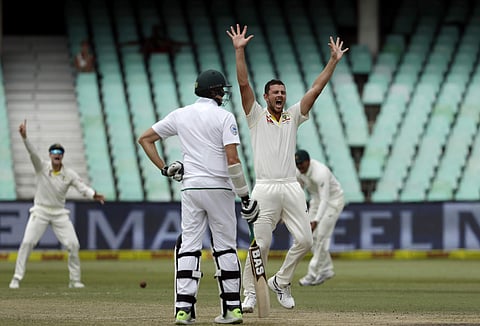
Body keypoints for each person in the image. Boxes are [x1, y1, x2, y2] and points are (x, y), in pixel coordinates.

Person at [226, 24, 348, 311]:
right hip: (265, 187)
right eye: (275, 93)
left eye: (283, 92)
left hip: (291, 187)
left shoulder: (294, 115)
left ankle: (281, 281)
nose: (280, 96)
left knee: (306, 240)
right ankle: (251, 294)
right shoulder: (255, 115)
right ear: (266, 97)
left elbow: (316, 88)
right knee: (261, 246)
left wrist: (332, 61)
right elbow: (243, 85)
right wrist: (239, 51)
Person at [138, 69, 259, 325]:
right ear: (214, 91)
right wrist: (245, 196)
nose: (224, 94)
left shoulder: (180, 114)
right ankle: (232, 309)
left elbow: (145, 139)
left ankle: (184, 309)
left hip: (191, 188)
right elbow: (233, 161)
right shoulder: (225, 117)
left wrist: (164, 168)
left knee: (189, 247)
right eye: (221, 90)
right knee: (225, 246)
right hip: (220, 189)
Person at [9, 120, 105, 289]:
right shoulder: (41, 168)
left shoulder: (68, 174)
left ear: (62, 155)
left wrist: (94, 195)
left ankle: (75, 280)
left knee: (73, 244)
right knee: (27, 243)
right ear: (50, 154)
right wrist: (25, 138)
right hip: (40, 211)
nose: (56, 154)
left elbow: (81, 188)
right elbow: (32, 154)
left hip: (59, 213)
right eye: (54, 151)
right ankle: (16, 278)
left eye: (59, 152)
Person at [295, 149, 345, 286]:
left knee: (322, 236)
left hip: (333, 201)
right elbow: (298, 191)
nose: (299, 167)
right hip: (316, 201)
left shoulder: (320, 172)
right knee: (312, 237)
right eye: (297, 164)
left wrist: (316, 220)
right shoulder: (299, 171)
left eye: (301, 164)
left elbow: (325, 199)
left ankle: (312, 274)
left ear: (308, 161)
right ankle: (326, 270)